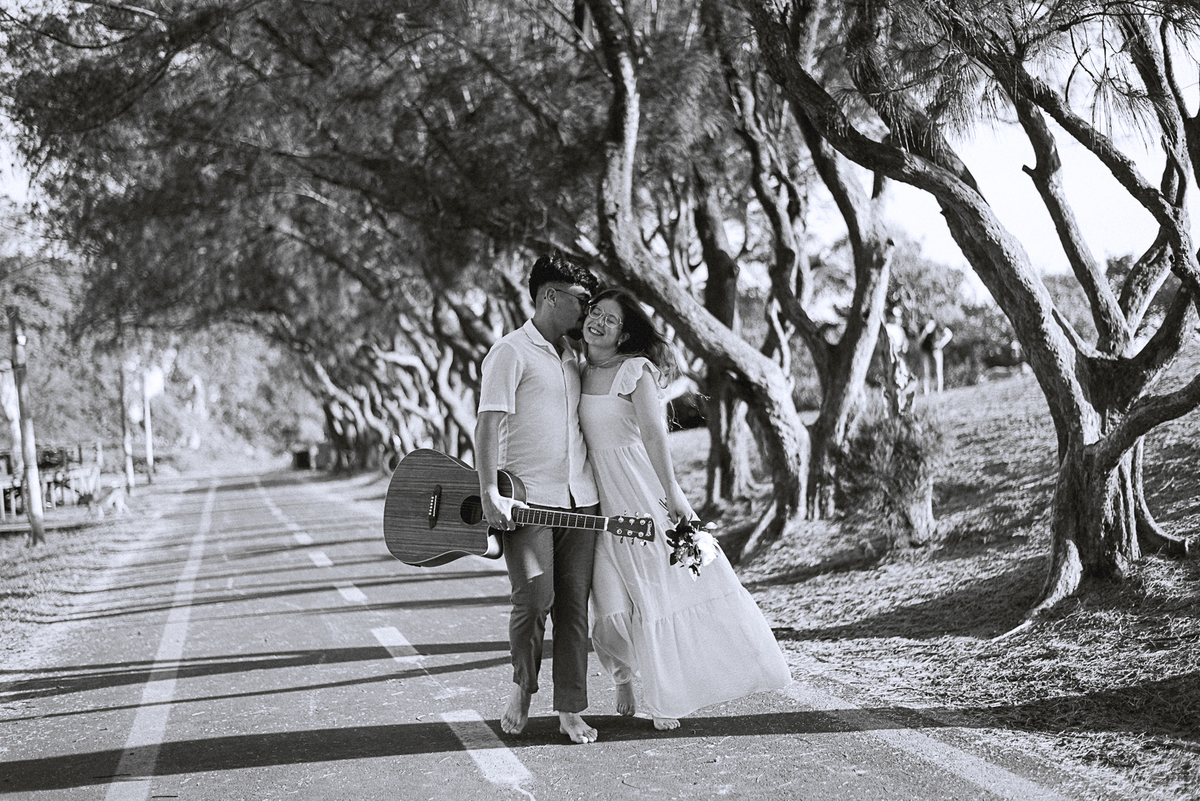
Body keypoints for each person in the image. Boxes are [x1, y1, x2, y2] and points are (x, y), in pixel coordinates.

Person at [578, 288, 792, 731]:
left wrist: (672, 492)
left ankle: (665, 697)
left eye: (610, 320)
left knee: (660, 593)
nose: (597, 322)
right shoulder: (577, 370)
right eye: (595, 312)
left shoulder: (635, 370)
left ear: (624, 335)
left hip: (642, 494)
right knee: (610, 602)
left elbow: (654, 435)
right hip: (599, 503)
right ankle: (623, 677)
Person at [475, 253, 602, 744]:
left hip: (581, 500)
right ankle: (522, 686)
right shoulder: (510, 352)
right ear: (550, 295)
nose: (588, 311)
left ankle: (570, 708)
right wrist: (489, 490)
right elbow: (488, 424)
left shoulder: (575, 358)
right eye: (582, 300)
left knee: (574, 608)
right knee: (534, 598)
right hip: (528, 502)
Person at [917, 319, 953, 395]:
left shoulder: (938, 325)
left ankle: (939, 390)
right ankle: (926, 392)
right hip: (925, 351)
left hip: (936, 350)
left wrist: (941, 344)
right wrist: (925, 331)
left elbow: (949, 334)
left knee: (938, 370)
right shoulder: (923, 327)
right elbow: (918, 342)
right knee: (926, 371)